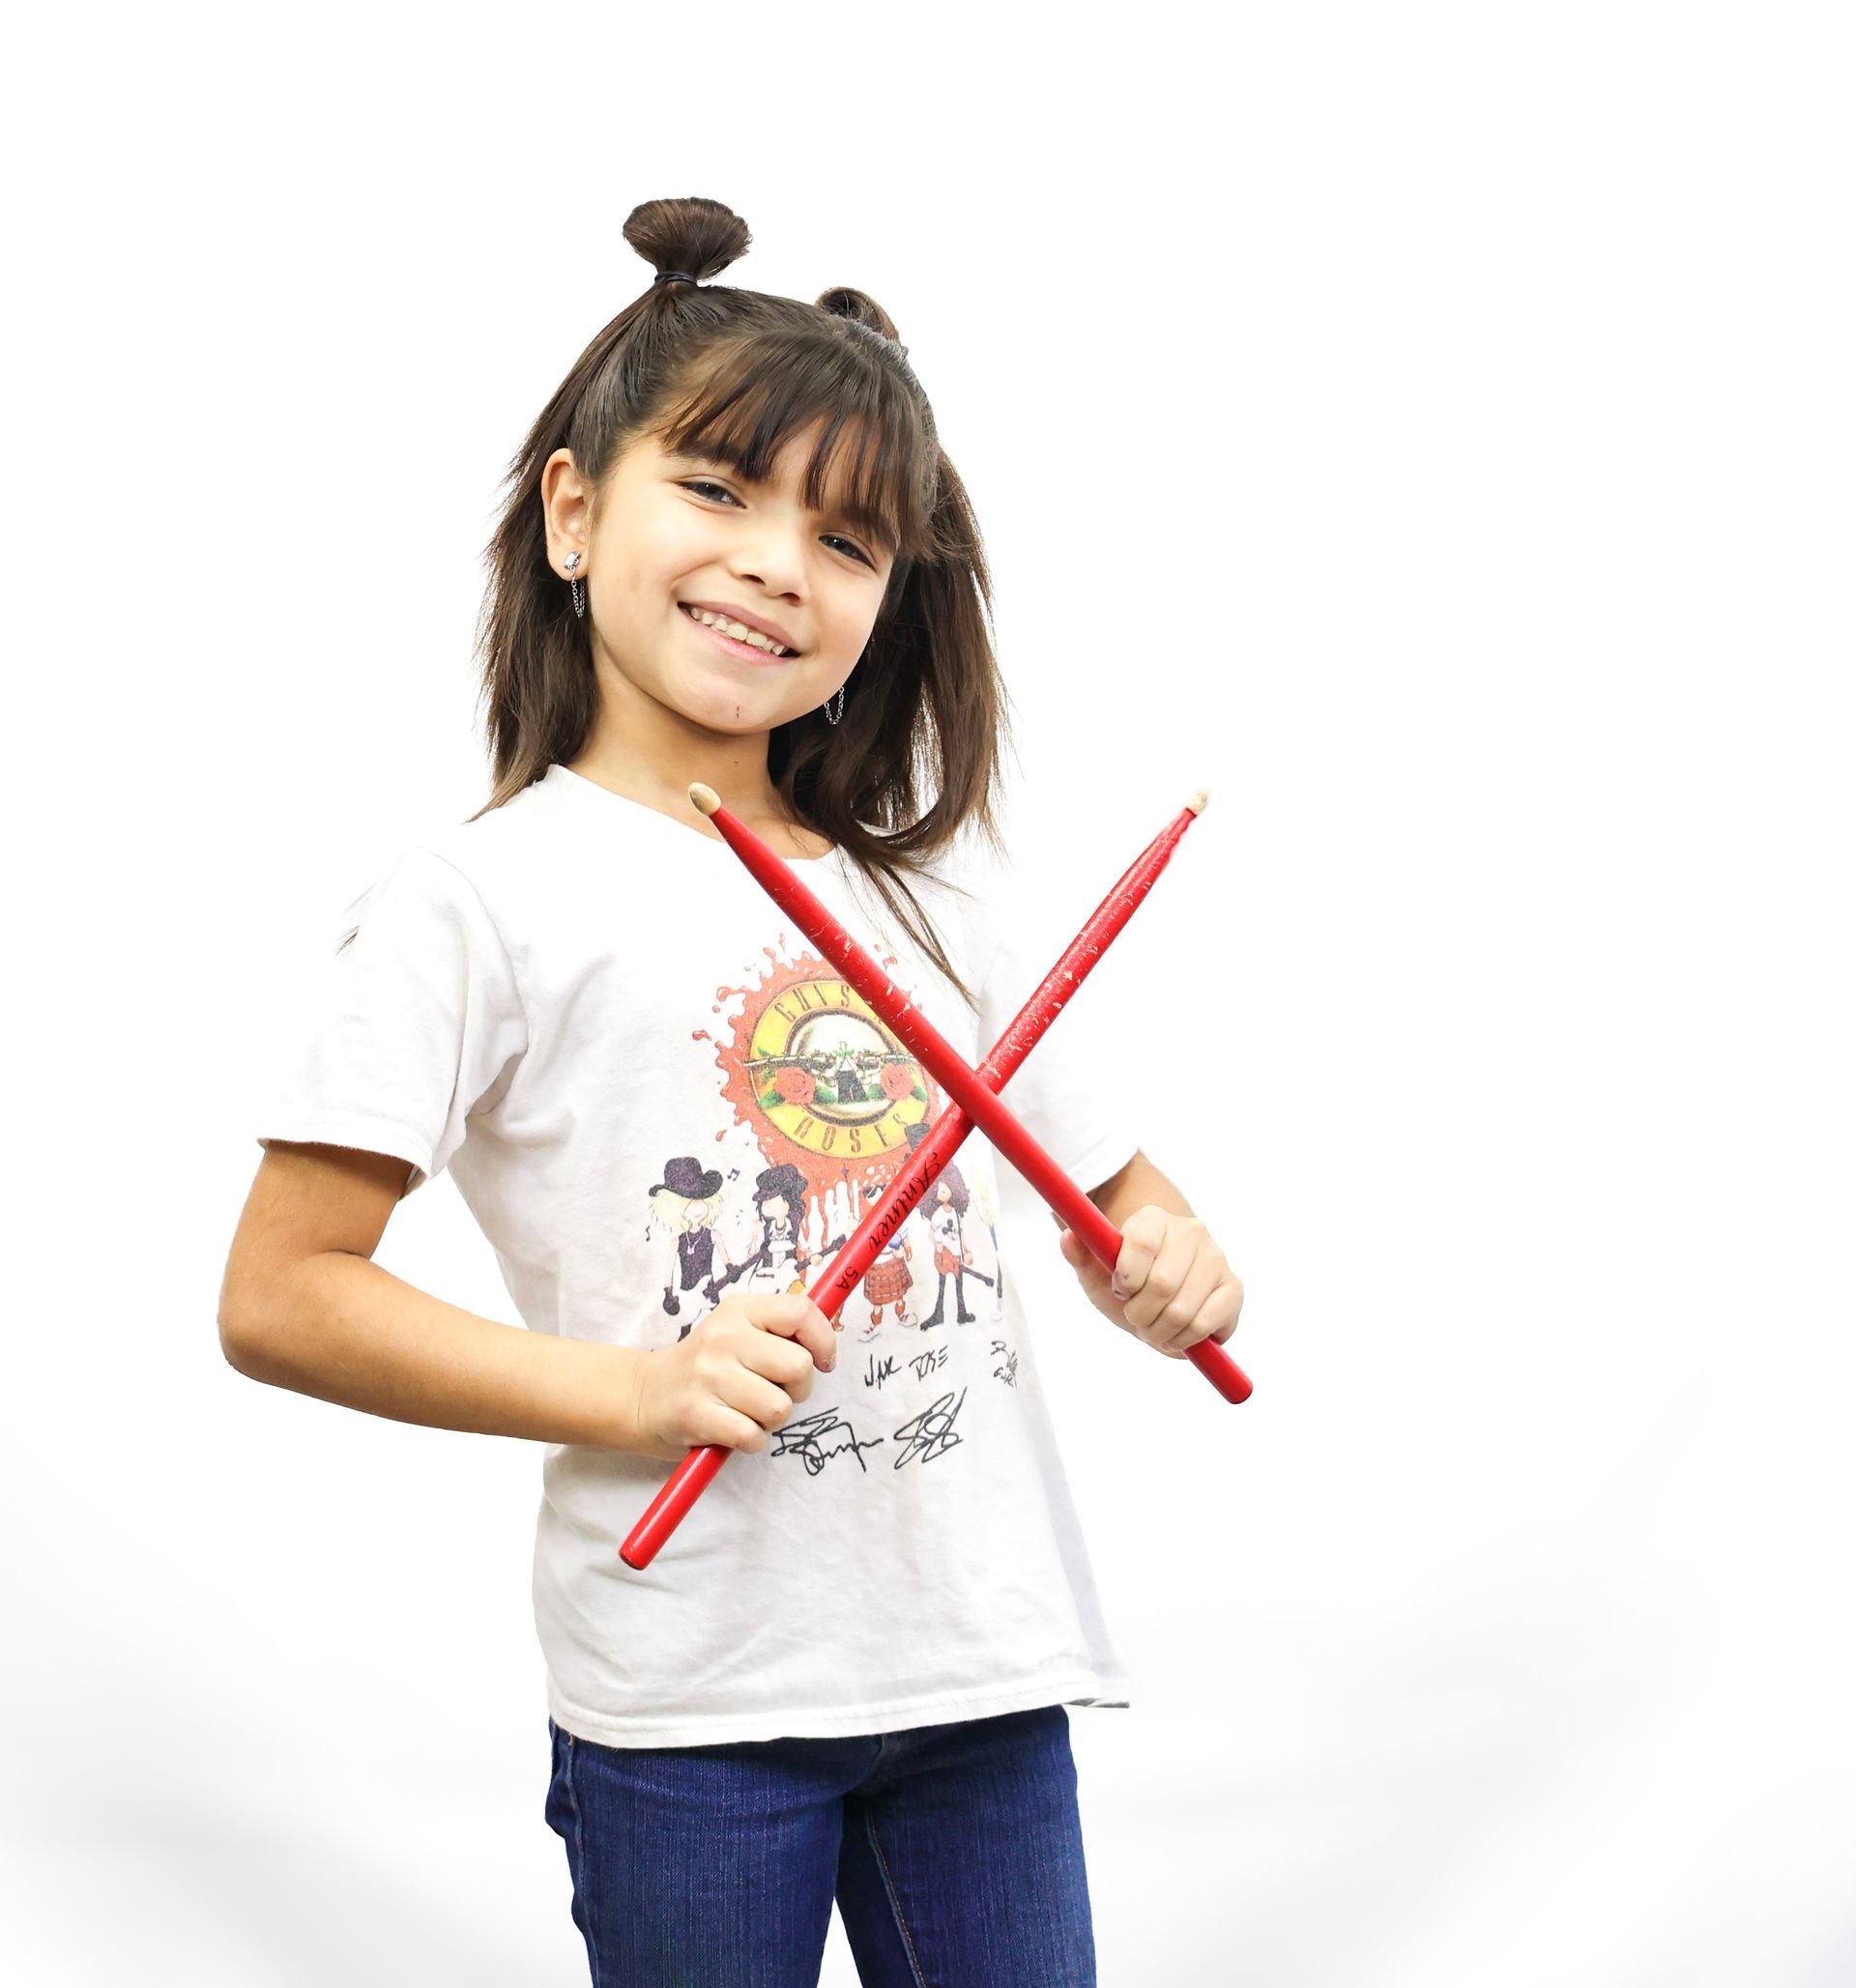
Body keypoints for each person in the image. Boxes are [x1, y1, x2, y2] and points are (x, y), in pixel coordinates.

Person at [218, 193, 1245, 1987]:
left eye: (848, 540)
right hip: (689, 1696)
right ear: (570, 511)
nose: (779, 563)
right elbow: (280, 1295)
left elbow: (1123, 1205)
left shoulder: (930, 901)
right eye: (718, 489)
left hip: (979, 1670)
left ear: (886, 601)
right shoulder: (475, 903)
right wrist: (638, 1385)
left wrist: (1168, 1268)